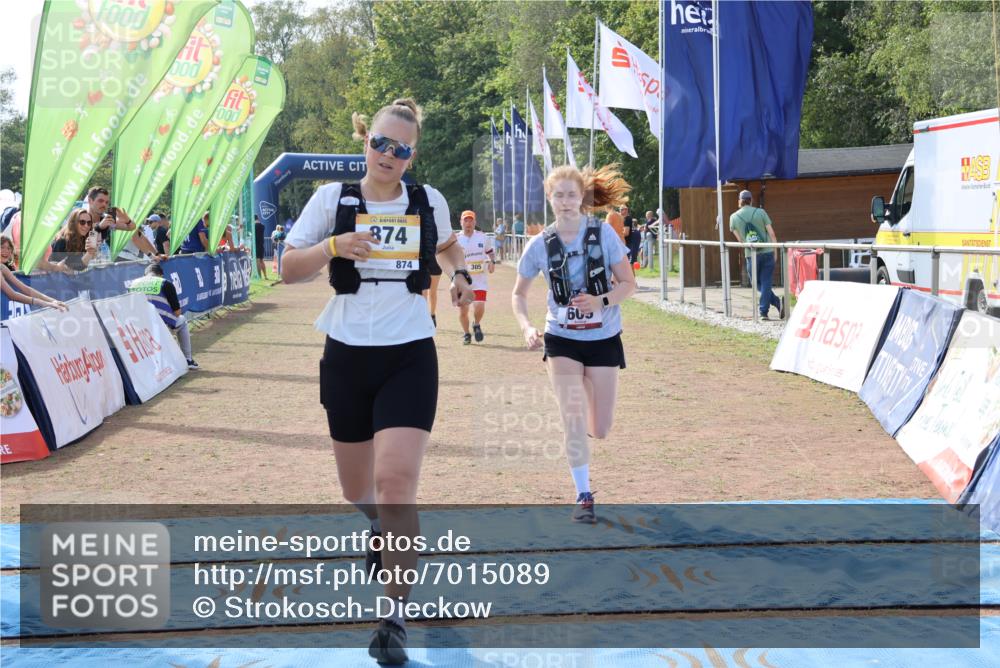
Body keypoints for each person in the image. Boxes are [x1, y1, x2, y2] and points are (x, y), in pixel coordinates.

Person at [280, 97, 475, 665]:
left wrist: (461, 275)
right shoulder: (331, 199)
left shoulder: (426, 201)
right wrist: (332, 246)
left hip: (409, 353)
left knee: (395, 489)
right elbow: (287, 269)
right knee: (357, 492)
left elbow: (447, 244)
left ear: (412, 157)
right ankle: (382, 528)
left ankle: (393, 616)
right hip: (345, 353)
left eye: (402, 149)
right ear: (366, 143)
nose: (389, 155)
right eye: (381, 144)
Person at [512, 164, 635, 524]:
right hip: (561, 338)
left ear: (582, 197)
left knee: (600, 427)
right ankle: (583, 495)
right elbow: (518, 295)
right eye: (558, 195)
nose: (565, 201)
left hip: (603, 337)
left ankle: (583, 423)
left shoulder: (603, 235)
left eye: (571, 194)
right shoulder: (539, 244)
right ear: (549, 199)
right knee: (572, 417)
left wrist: (601, 301)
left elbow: (628, 284)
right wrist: (525, 327)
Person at [127, 263, 199, 370]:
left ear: (145, 274)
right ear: (160, 275)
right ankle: (188, 359)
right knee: (182, 320)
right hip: (159, 325)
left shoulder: (133, 284)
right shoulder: (165, 283)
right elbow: (177, 312)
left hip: (138, 326)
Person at [729, 189, 783, 320]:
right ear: (751, 200)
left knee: (756, 283)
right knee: (766, 282)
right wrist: (775, 251)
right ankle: (776, 303)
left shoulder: (733, 217)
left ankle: (764, 311)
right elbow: (772, 234)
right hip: (767, 251)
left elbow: (741, 241)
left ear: (739, 201)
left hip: (751, 253)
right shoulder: (761, 212)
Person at [456, 210, 495, 344]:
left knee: (479, 305)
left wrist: (492, 262)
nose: (468, 223)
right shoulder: (456, 239)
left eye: (471, 220)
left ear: (475, 222)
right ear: (461, 222)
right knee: (463, 310)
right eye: (465, 220)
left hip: (479, 280)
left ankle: (476, 324)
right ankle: (466, 334)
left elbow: (490, 253)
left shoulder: (482, 237)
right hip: (463, 281)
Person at [0, 262, 67, 311]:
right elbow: (12, 295)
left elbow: (24, 288)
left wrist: (53, 301)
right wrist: (44, 303)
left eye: (9, 248)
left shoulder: (2, 267)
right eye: (2, 247)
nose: (6, 251)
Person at [254, 214, 268, 280]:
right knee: (262, 260)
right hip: (261, 244)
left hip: (256, 245)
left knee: (257, 260)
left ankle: (259, 276)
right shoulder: (262, 226)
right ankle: (265, 276)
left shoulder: (254, 226)